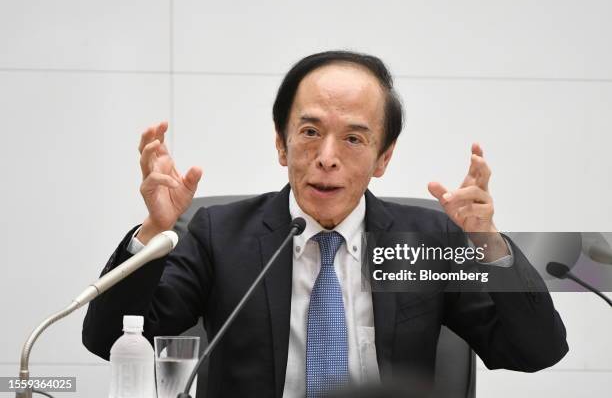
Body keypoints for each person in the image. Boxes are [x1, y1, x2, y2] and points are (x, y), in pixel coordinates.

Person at [82, 51, 568, 397]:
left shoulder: (423, 241)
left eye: (354, 138)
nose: (327, 158)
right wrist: (152, 232)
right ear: (281, 143)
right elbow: (111, 340)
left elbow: (534, 351)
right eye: (310, 132)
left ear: (383, 157)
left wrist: (487, 243)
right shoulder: (218, 234)